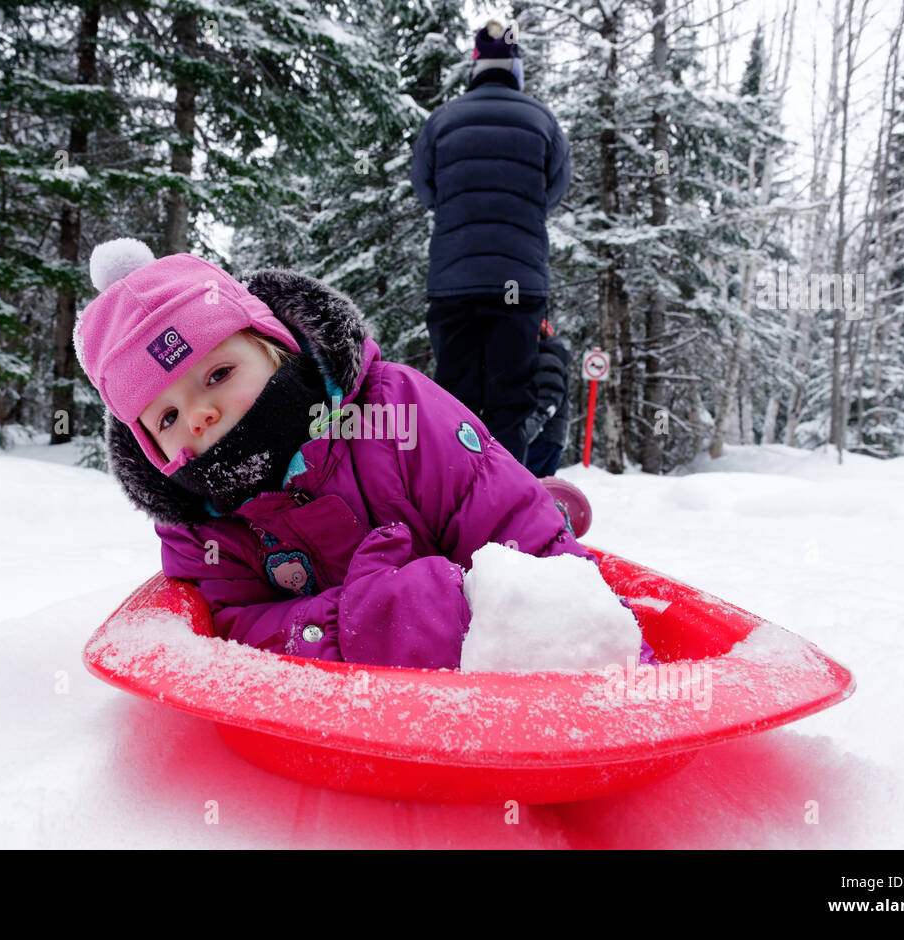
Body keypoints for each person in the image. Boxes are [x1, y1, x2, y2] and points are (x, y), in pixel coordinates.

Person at [75, 238, 651, 670]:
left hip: (464, 537)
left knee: (503, 507)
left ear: (277, 348)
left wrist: (609, 650)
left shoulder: (395, 414)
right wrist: (347, 626)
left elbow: (522, 539)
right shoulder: (197, 526)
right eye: (167, 417)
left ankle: (546, 500)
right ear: (150, 447)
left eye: (219, 374)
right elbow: (231, 631)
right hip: (359, 661)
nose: (199, 413)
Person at [410, 18, 572, 464]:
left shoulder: (442, 120)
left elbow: (425, 190)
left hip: (454, 282)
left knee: (452, 397)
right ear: (515, 69)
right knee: (510, 400)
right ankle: (507, 510)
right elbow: (554, 192)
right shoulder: (542, 120)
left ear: (475, 68)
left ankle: (446, 501)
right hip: (518, 282)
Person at [523, 318, 571, 479]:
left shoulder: (545, 359)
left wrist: (535, 421)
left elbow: (551, 394)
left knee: (527, 481)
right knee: (539, 485)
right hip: (549, 436)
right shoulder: (541, 358)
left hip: (542, 435)